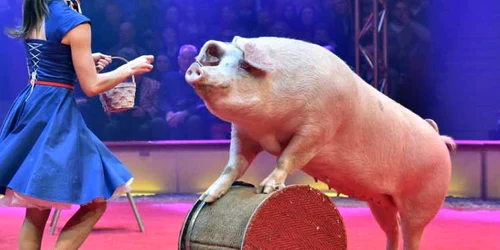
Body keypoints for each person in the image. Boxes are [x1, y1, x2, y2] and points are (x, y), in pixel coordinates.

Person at [0, 0, 154, 249]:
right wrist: (129, 68)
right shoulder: (75, 21)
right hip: (55, 113)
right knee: (95, 203)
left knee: (37, 209)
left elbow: (49, 57)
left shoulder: (39, 10)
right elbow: (91, 87)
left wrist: (83, 58)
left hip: (32, 104)